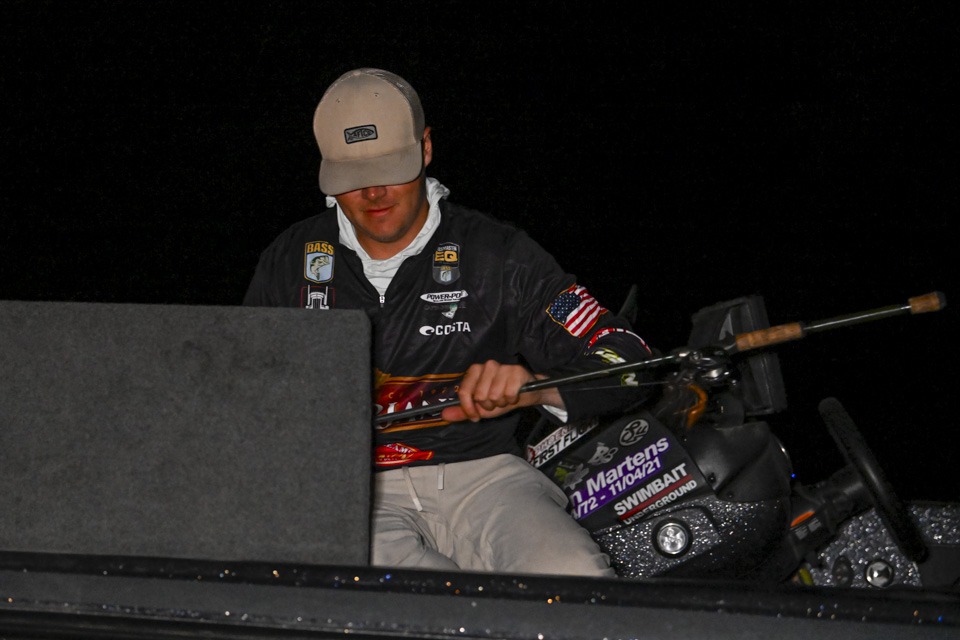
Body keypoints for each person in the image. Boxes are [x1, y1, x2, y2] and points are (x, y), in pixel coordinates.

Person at [244, 68, 653, 576]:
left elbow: (629, 357)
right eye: (353, 176)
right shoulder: (289, 262)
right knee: (406, 596)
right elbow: (241, 396)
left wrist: (537, 387)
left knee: (574, 574)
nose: (374, 193)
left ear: (426, 148)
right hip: (348, 491)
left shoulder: (500, 255)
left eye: (390, 167)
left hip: (488, 479)